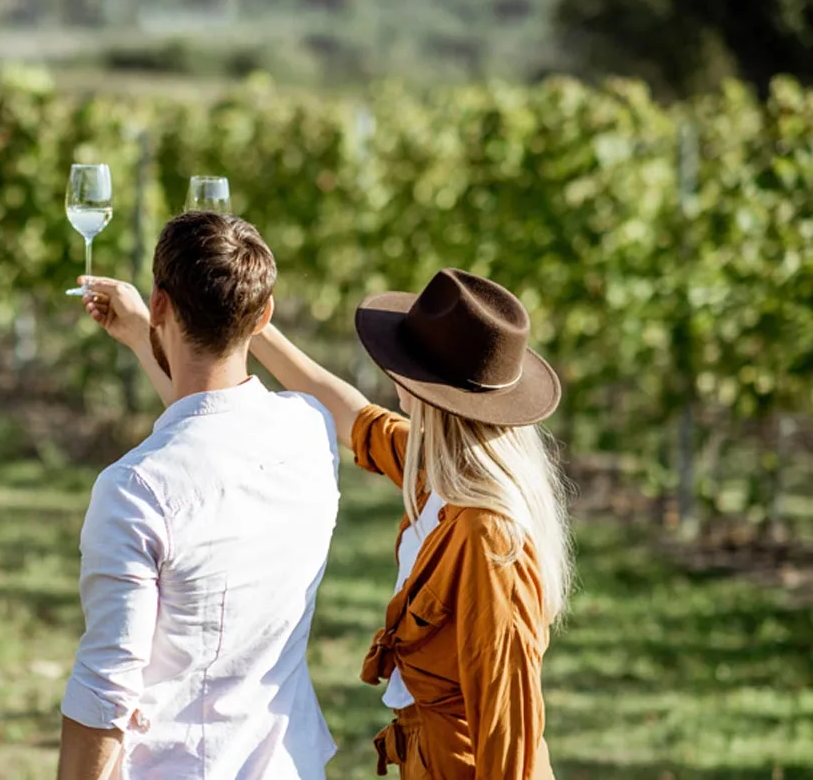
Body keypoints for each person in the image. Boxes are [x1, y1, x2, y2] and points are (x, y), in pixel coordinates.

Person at [249, 268, 572, 779]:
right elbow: (350, 416)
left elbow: (507, 730)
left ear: (430, 392)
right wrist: (254, 325)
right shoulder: (436, 466)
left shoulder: (488, 536)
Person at [60, 211, 341, 780]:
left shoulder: (134, 489)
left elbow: (104, 693)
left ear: (160, 302)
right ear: (264, 316)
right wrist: (146, 338)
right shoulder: (312, 428)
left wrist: (149, 335)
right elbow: (213, 425)